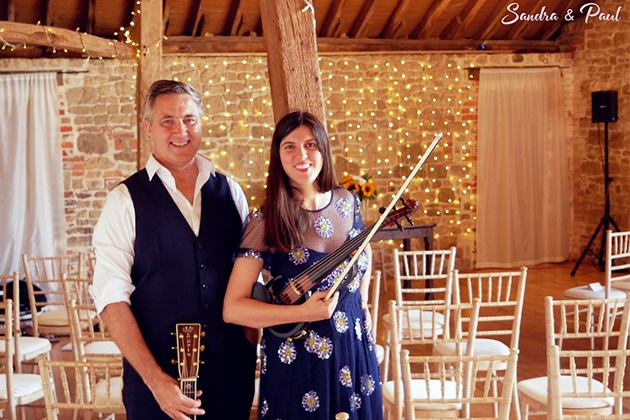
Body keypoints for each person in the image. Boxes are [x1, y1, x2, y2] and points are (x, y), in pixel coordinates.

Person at [91, 80, 257, 420]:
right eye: (168, 120)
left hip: (231, 377)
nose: (180, 130)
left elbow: (253, 275)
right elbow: (110, 298)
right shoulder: (123, 201)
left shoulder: (231, 192)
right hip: (157, 385)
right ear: (148, 126)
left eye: (189, 119)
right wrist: (154, 380)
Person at [223, 110, 384, 419]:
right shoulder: (265, 220)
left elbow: (364, 254)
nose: (302, 154)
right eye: (290, 146)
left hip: (353, 346)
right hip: (296, 356)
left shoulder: (349, 202)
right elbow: (233, 308)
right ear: (278, 155)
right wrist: (302, 312)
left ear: (322, 148)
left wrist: (362, 301)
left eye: (310, 144)